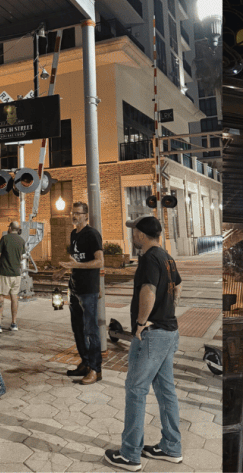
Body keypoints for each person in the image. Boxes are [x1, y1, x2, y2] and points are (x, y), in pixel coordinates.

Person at [105, 215, 182, 471]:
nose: (132, 235)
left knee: (136, 390)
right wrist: (167, 310)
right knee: (166, 391)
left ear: (140, 234)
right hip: (169, 331)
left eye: (134, 231)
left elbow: (148, 290)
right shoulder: (167, 257)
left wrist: (140, 324)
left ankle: (130, 455)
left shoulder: (149, 258)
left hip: (152, 334)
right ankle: (171, 447)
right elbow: (178, 287)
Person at [59, 201, 104, 384]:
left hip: (88, 290)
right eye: (73, 213)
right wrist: (62, 271)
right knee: (77, 328)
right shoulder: (74, 234)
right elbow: (74, 259)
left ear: (86, 216)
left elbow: (99, 262)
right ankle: (85, 363)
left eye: (78, 213)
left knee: (91, 330)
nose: (74, 216)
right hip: (75, 287)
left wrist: (77, 265)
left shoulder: (92, 234)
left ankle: (95, 369)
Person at [0, 220, 25, 332]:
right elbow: (22, 257)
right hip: (17, 273)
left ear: (10, 228)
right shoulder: (21, 240)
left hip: (4, 272)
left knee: (1, 296)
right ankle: (14, 323)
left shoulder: (5, 239)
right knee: (14, 297)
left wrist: (1, 263)